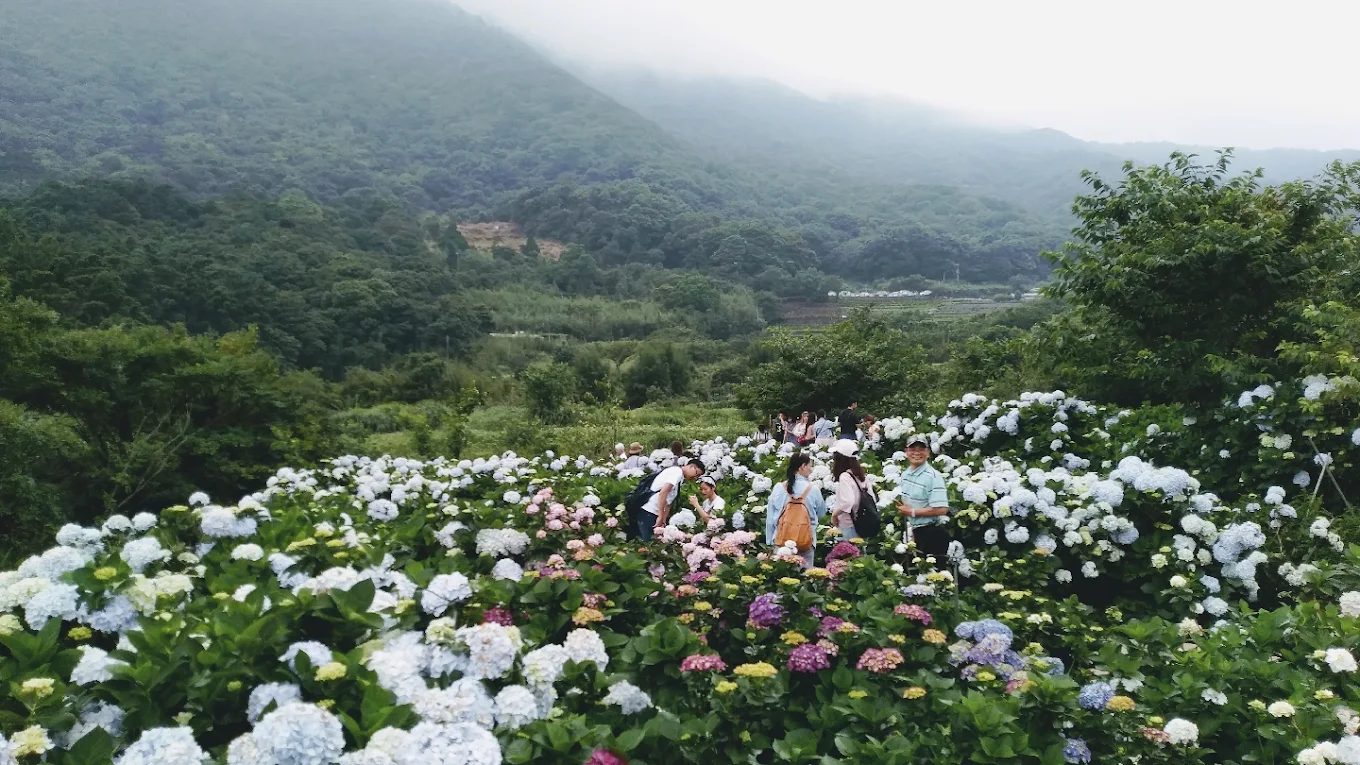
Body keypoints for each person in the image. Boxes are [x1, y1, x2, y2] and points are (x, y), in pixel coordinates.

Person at [764, 452, 827, 566]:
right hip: (806, 541)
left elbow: (770, 518)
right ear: (802, 466)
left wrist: (770, 541)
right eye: (810, 466)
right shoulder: (814, 489)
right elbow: (822, 514)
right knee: (806, 577)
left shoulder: (779, 488)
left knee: (782, 577)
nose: (811, 470)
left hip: (781, 540)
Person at [894, 435, 951, 562]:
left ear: (928, 453)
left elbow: (942, 509)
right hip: (916, 532)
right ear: (906, 452)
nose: (917, 453)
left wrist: (912, 512)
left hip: (933, 534)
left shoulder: (933, 476)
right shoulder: (905, 475)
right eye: (912, 449)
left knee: (934, 577)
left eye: (921, 449)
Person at [639, 458, 704, 540]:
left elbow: (669, 501)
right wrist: (660, 516)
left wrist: (663, 520)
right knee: (647, 543)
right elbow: (663, 493)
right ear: (691, 467)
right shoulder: (676, 472)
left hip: (653, 513)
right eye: (697, 474)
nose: (695, 478)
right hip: (649, 511)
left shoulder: (679, 477)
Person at [828, 439, 871, 539]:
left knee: (850, 552)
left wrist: (834, 515)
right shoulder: (861, 475)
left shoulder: (845, 476)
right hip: (862, 523)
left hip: (849, 524)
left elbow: (848, 502)